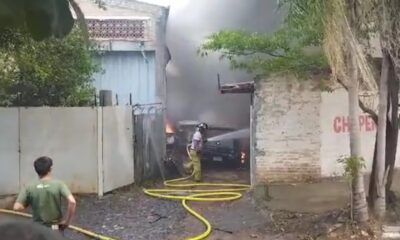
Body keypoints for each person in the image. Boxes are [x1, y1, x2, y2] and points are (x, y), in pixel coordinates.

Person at [13, 156, 76, 233]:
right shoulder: (59, 184)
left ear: (36, 170)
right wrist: (67, 222)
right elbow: (72, 202)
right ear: (50, 169)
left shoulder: (29, 187)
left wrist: (30, 203)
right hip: (55, 228)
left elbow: (16, 207)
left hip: (38, 229)